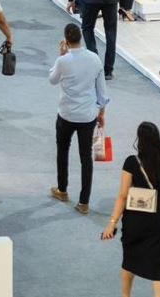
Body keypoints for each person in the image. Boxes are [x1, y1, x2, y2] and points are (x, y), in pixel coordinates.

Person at [101, 122, 160, 297]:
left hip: (136, 220)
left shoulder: (131, 162)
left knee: (129, 261)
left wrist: (112, 222)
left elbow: (123, 195)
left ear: (139, 140)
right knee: (159, 271)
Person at [50, 22, 110, 215]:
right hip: (87, 115)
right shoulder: (94, 59)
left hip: (66, 114)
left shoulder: (63, 60)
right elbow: (102, 91)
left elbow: (52, 80)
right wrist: (102, 113)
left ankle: (62, 190)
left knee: (62, 150)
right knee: (86, 158)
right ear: (80, 38)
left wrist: (60, 56)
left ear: (66, 40)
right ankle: (84, 202)